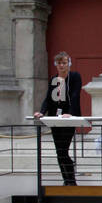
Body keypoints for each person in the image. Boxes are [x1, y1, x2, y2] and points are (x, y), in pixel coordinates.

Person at [33, 51, 83, 185]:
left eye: (64, 63)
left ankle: (71, 180)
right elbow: (49, 98)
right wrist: (42, 112)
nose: (61, 65)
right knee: (59, 151)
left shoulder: (74, 77)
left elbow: (75, 95)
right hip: (55, 119)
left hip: (68, 119)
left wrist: (71, 113)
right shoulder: (54, 79)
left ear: (69, 64)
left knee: (63, 150)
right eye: (59, 63)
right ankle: (66, 179)